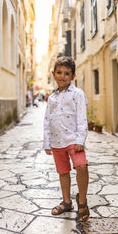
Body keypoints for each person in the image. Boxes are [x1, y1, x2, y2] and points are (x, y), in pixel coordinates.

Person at [43, 56, 89, 222]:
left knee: (82, 166)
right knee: (63, 172)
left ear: (73, 76)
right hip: (56, 142)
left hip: (73, 140)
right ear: (54, 74)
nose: (63, 76)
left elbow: (82, 117)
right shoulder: (52, 98)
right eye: (60, 72)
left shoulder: (77, 94)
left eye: (67, 73)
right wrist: (46, 142)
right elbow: (47, 120)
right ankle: (67, 202)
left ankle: (82, 201)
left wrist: (80, 139)